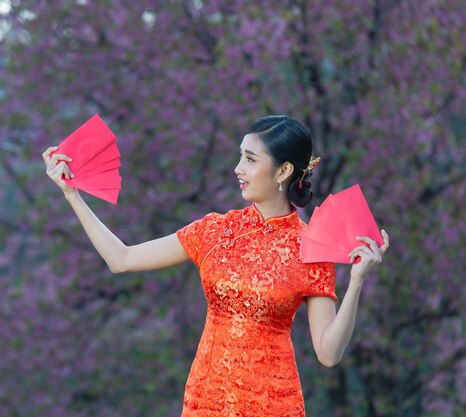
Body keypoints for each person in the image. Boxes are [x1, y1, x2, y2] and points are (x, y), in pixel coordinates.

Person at [42, 114, 390, 417]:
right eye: (240, 156)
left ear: (283, 170)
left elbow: (329, 354)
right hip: (205, 401)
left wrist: (356, 282)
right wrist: (72, 194)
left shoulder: (312, 248)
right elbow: (122, 259)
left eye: (251, 159)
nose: (239, 169)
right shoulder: (214, 230)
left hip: (274, 405)